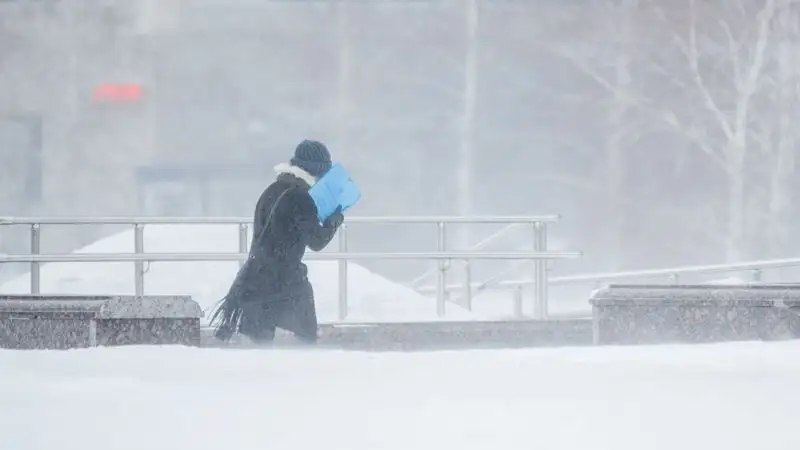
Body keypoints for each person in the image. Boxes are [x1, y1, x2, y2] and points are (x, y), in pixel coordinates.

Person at [210, 139, 344, 345]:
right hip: (285, 283)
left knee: (259, 347)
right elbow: (317, 241)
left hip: (254, 278)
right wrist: (334, 220)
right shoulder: (301, 197)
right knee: (304, 342)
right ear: (316, 170)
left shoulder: (271, 191)